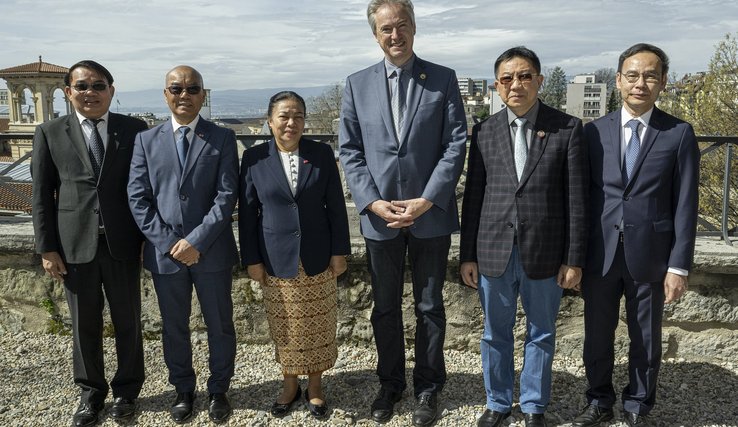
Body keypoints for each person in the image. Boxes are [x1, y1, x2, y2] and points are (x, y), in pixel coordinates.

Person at [338, 1, 467, 425]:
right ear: (375, 35)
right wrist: (372, 201)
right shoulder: (357, 85)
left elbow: (455, 145)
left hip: (429, 215)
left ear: (414, 27)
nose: (395, 35)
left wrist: (427, 198)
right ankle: (390, 385)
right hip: (380, 218)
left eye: (402, 26)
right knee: (385, 308)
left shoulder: (443, 79)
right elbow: (351, 151)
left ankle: (428, 388)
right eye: (386, 29)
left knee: (430, 306)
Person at [459, 46, 588, 427]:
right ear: (497, 86)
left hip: (545, 253)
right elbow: (474, 197)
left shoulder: (567, 128)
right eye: (507, 78)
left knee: (542, 332)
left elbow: (576, 200)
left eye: (524, 76)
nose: (516, 84)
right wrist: (467, 255)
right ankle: (497, 403)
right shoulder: (484, 130)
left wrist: (574, 258)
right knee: (494, 333)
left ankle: (533, 406)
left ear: (539, 80)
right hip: (492, 251)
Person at [571, 43, 699, 427]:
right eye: (632, 75)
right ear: (618, 80)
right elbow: (581, 198)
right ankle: (598, 400)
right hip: (601, 253)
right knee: (597, 334)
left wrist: (679, 265)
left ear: (662, 82)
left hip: (652, 255)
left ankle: (638, 405)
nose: (640, 83)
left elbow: (686, 204)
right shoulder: (593, 132)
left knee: (645, 336)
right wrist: (573, 257)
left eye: (649, 76)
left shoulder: (678, 134)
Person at [31, 60, 147, 426]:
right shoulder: (49, 132)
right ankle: (90, 394)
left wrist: (149, 238)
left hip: (123, 244)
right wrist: (47, 248)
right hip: (73, 246)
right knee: (84, 325)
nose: (90, 93)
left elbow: (146, 189)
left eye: (98, 85)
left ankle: (127, 391)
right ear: (68, 92)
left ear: (112, 90)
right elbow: (41, 195)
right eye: (82, 86)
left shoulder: (135, 130)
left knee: (128, 321)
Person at [127, 65, 239, 424]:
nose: (184, 95)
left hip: (212, 251)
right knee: (174, 325)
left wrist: (196, 241)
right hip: (166, 256)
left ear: (203, 95)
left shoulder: (221, 138)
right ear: (165, 95)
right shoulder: (146, 140)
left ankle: (219, 388)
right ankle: (183, 389)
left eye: (192, 89)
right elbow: (137, 197)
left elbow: (226, 196)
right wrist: (171, 243)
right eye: (176, 89)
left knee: (220, 323)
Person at [238, 91, 351, 420]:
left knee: (319, 324)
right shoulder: (255, 158)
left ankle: (315, 386)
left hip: (317, 255)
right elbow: (248, 214)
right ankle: (289, 384)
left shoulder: (321, 154)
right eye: (284, 116)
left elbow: (336, 209)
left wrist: (339, 252)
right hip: (275, 257)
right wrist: (252, 259)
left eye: (298, 116)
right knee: (285, 325)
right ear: (270, 121)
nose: (291, 122)